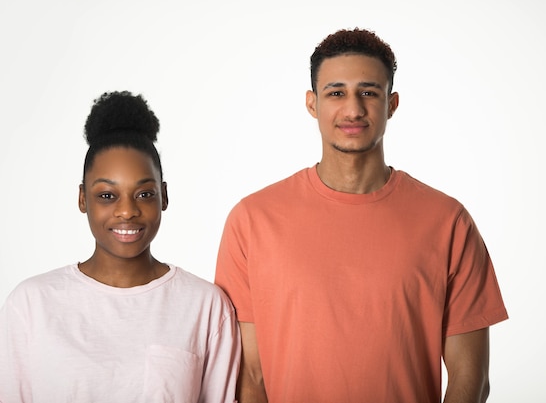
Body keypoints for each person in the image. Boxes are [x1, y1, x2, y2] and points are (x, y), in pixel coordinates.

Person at [214, 28, 508, 403]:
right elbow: (250, 376)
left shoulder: (448, 222)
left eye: (369, 92)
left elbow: (471, 378)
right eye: (336, 93)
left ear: (392, 104)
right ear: (312, 103)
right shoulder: (252, 221)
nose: (353, 109)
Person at [0, 91, 240, 403]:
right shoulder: (32, 303)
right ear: (83, 198)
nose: (127, 211)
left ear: (164, 196)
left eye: (144, 194)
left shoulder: (205, 305)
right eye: (107, 195)